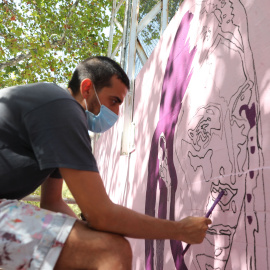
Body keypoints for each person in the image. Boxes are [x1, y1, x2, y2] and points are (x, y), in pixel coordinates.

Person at [0, 56, 211, 270]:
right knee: (110, 251)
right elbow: (101, 215)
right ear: (87, 88)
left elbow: (52, 202)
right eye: (114, 101)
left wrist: (90, 230)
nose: (117, 113)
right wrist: (180, 230)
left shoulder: (54, 116)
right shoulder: (63, 108)